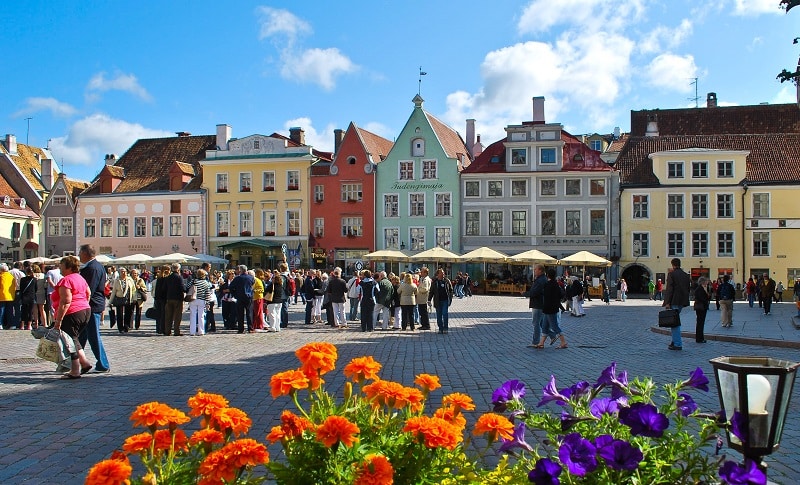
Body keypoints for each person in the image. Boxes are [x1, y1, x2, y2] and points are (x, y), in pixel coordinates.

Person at [52, 256, 94, 379]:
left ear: (69, 267)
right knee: (74, 339)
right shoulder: (80, 278)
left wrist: (58, 320)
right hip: (85, 311)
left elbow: (65, 301)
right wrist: (83, 304)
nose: (60, 267)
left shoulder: (66, 280)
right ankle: (84, 363)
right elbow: (88, 293)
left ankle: (75, 370)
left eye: (62, 265)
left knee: (69, 341)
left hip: (72, 313)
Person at [77, 244, 111, 373]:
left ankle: (103, 363)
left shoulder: (92, 268)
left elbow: (88, 289)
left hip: (91, 305)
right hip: (91, 305)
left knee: (93, 335)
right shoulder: (94, 266)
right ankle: (75, 361)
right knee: (81, 336)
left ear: (86, 253)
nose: (79, 255)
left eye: (80, 252)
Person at [536, 268, 568, 349]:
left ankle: (563, 342)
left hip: (548, 308)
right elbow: (561, 295)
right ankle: (541, 343)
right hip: (553, 308)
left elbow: (546, 297)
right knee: (544, 325)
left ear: (547, 275)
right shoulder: (556, 284)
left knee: (554, 326)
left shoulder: (547, 285)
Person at [663, 257, 691, 351]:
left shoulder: (672, 274)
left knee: (674, 323)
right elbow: (688, 289)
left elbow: (669, 289)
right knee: (675, 321)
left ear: (673, 265)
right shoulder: (686, 275)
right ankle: (674, 341)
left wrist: (667, 302)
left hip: (674, 300)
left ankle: (677, 344)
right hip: (682, 301)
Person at [527, 264, 549, 348]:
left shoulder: (540, 280)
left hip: (538, 304)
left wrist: (526, 293)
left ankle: (536, 341)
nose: (534, 271)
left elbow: (535, 292)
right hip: (540, 303)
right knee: (541, 323)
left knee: (536, 323)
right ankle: (553, 335)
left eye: (535, 269)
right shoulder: (542, 279)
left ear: (540, 270)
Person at [229, 264, 254, 333]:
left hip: (240, 297)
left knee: (240, 314)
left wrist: (234, 294)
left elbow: (231, 287)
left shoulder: (237, 278)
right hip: (249, 297)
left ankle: (241, 329)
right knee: (249, 313)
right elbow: (252, 285)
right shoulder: (251, 277)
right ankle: (250, 328)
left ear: (240, 270)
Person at [188, 269, 214, 336]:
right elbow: (208, 293)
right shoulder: (206, 283)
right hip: (202, 300)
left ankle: (192, 331)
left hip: (193, 299)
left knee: (193, 315)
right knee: (201, 316)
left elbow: (187, 286)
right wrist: (207, 303)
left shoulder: (194, 281)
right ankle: (201, 331)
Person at [163, 263, 186, 336]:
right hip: (178, 299)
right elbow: (182, 288)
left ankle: (167, 331)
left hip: (169, 298)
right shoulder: (179, 277)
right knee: (177, 316)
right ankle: (176, 331)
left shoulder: (168, 277)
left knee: (168, 316)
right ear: (178, 269)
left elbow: (164, 288)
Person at [429, 268, 453, 334]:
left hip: (445, 300)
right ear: (438, 274)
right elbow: (431, 292)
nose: (443, 274)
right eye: (441, 272)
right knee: (439, 316)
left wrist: (450, 298)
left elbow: (451, 290)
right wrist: (429, 300)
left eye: (443, 272)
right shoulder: (435, 282)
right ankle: (440, 328)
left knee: (445, 314)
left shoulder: (447, 281)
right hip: (437, 301)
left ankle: (445, 328)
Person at [111, 267, 135, 333]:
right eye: (122, 271)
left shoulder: (130, 280)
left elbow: (133, 289)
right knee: (120, 314)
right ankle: (120, 328)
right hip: (119, 298)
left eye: (125, 271)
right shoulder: (117, 280)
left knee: (128, 313)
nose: (124, 273)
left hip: (128, 298)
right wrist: (110, 301)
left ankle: (126, 326)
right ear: (119, 273)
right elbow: (114, 291)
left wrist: (134, 298)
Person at [693, 277, 710, 343]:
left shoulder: (703, 288)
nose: (707, 282)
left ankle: (700, 337)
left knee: (701, 323)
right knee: (700, 322)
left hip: (702, 307)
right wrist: (706, 299)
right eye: (706, 281)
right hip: (701, 307)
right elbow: (700, 298)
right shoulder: (700, 289)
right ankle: (699, 338)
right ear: (703, 282)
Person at [0, 264, 16, 329]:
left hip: (2, 296)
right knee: (10, 311)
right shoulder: (11, 276)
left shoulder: (1, 276)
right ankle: (11, 324)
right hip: (10, 296)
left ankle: (0, 324)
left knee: (1, 310)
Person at [33, 264, 48, 329]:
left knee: (35, 310)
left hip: (34, 293)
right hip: (41, 293)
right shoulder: (43, 275)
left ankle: (36, 324)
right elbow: (45, 285)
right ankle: (45, 324)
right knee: (42, 309)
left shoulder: (32, 276)